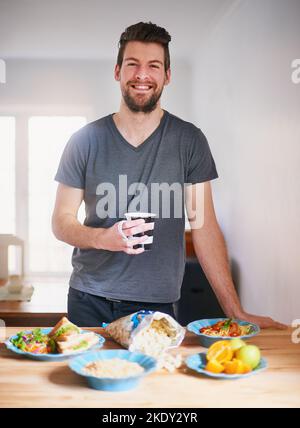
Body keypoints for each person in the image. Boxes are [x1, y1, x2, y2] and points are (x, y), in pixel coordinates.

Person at [52, 22, 286, 329]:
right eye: (132, 64)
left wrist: (235, 311)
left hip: (156, 306)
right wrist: (102, 238)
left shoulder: (190, 141)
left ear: (167, 76)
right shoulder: (84, 140)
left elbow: (204, 227)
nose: (142, 75)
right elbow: (61, 221)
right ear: (118, 71)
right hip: (88, 299)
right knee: (88, 375)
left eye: (153, 66)